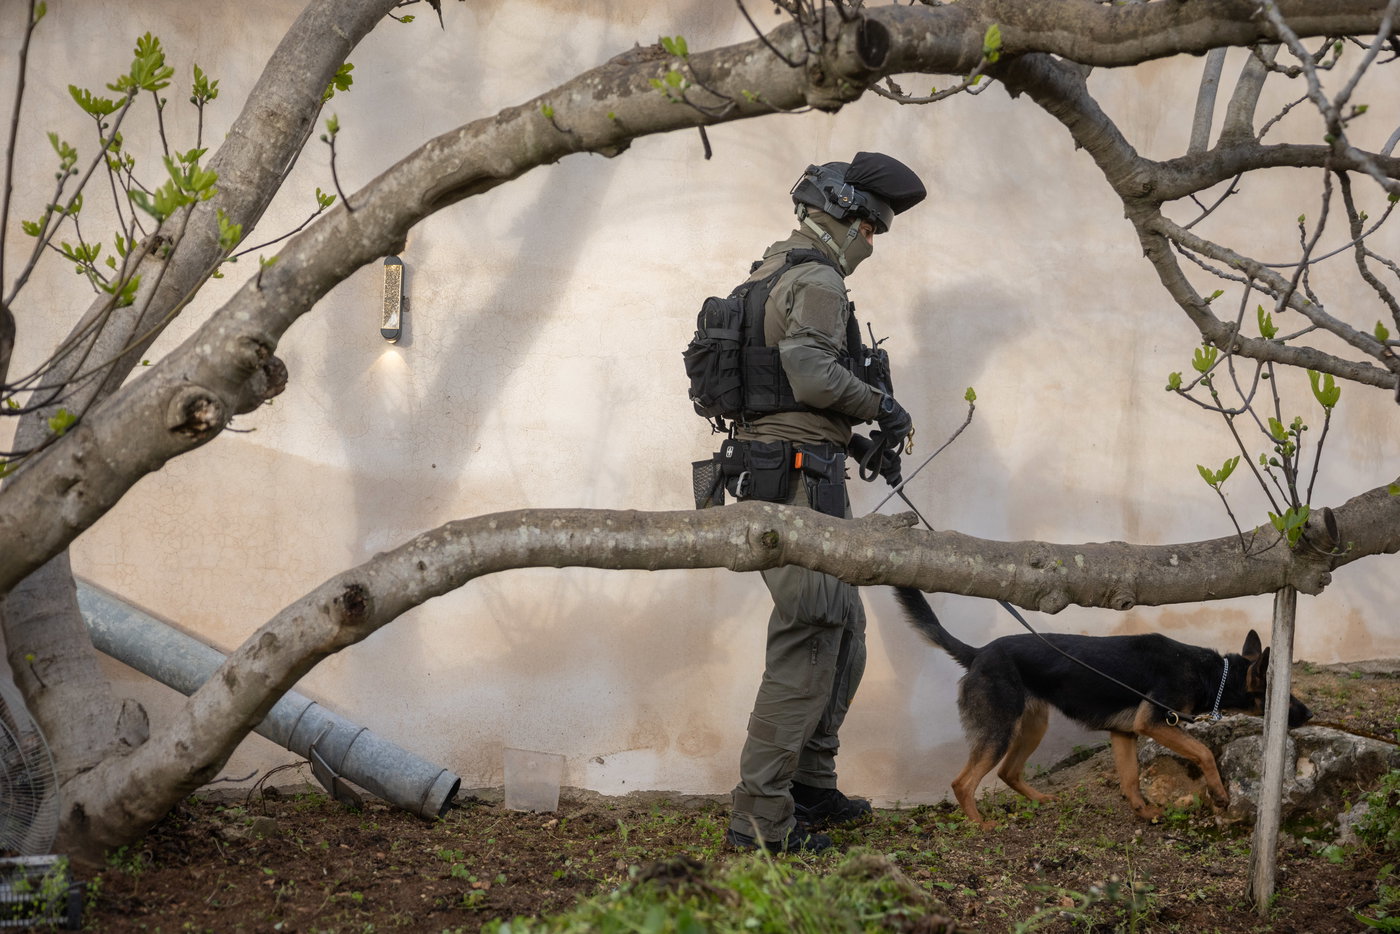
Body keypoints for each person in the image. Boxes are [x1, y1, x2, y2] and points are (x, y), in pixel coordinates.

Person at [723, 152, 926, 852]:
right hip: (796, 478)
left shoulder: (774, 269)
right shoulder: (814, 278)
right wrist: (881, 405)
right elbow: (809, 375)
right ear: (839, 215)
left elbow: (787, 390)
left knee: (842, 630)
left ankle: (810, 786)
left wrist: (859, 437)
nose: (873, 242)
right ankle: (760, 818)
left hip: (804, 467)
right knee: (811, 634)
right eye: (871, 227)